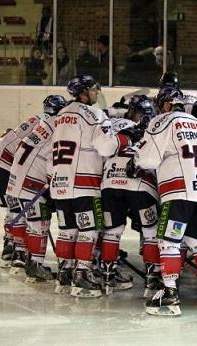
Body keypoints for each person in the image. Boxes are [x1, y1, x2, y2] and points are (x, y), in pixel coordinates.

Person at [128, 87, 197, 316]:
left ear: (164, 104)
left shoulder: (163, 120)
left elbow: (148, 158)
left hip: (178, 190)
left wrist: (136, 163)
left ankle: (170, 293)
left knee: (168, 241)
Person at [51, 75, 133, 298]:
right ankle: (83, 275)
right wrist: (125, 139)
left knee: (67, 230)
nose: (97, 93)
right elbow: (106, 147)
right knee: (88, 230)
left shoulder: (60, 115)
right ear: (83, 93)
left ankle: (65, 274)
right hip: (84, 182)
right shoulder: (93, 114)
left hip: (60, 182)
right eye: (94, 89)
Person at [99, 95, 159, 297]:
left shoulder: (112, 124)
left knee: (112, 231)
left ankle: (108, 275)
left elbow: (100, 150)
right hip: (140, 185)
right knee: (150, 231)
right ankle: (152, 278)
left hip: (109, 182)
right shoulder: (155, 130)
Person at [6, 95, 67, 282]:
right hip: (31, 185)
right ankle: (35, 265)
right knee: (39, 224)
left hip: (15, 182)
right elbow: (52, 158)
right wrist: (52, 180)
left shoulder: (42, 122)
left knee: (30, 223)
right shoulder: (58, 126)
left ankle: (23, 257)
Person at [0, 106, 45, 269]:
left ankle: (10, 244)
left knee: (11, 207)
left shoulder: (36, 118)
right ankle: (17, 249)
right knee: (17, 209)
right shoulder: (47, 123)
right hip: (6, 164)